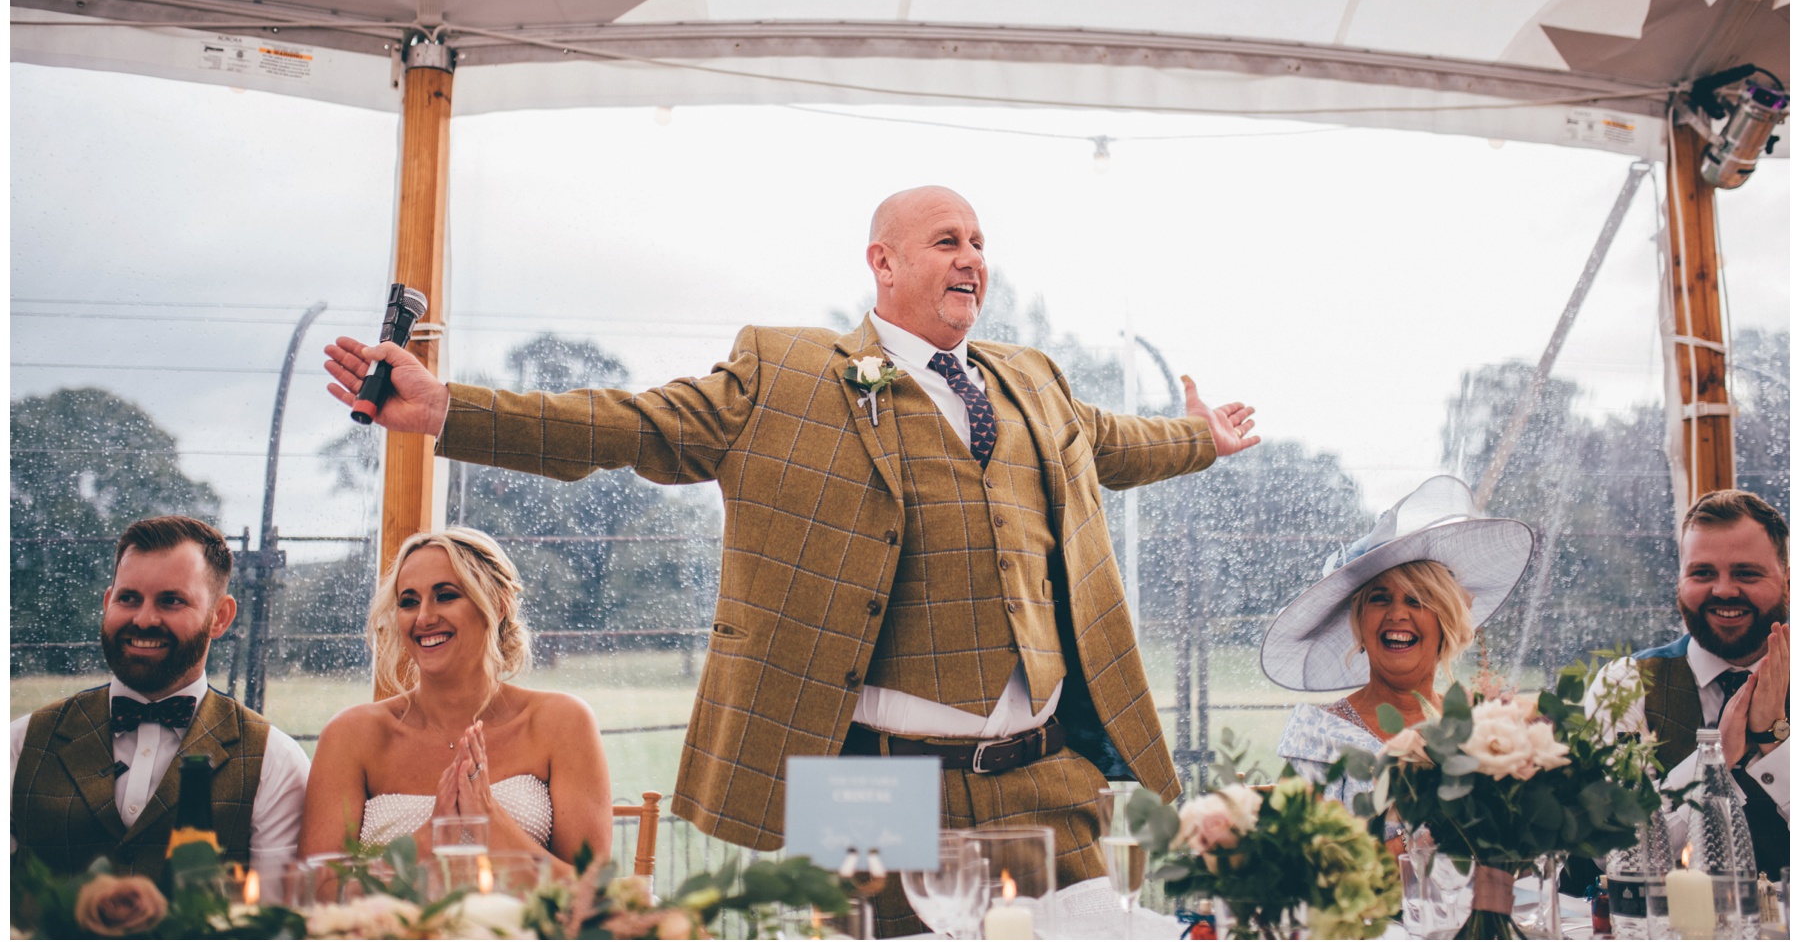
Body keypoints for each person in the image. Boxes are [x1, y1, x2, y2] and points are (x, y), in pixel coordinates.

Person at [324, 184, 1259, 934]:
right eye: (945, 239)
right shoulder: (784, 370)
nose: (971, 256)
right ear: (882, 263)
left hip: (1044, 771)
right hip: (866, 776)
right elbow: (633, 424)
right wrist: (449, 410)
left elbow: (1107, 443)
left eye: (978, 240)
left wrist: (1199, 439)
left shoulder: (1033, 377)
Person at [11, 516, 311, 876]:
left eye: (171, 601)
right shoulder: (19, 745)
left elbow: (276, 918)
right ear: (108, 603)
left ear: (220, 617)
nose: (144, 619)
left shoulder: (274, 762)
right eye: (128, 598)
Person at [299, 527, 610, 872]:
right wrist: (431, 837)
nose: (424, 618)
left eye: (445, 596)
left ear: (499, 603)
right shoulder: (350, 735)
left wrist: (489, 822)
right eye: (409, 602)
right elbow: (318, 893)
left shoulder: (562, 722)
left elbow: (592, 895)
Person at [1261, 475, 1534, 808]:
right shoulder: (1318, 735)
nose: (1396, 614)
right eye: (1380, 598)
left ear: (1445, 623)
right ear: (1360, 622)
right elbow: (1298, 854)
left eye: (1417, 600)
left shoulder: (1485, 725)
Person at [1583, 489, 1788, 877]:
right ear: (1680, 580)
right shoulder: (1625, 685)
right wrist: (1715, 761)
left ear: (1788, 580)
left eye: (1746, 573)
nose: (1724, 590)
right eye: (1702, 573)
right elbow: (1615, 853)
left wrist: (1775, 740)